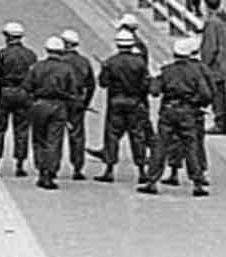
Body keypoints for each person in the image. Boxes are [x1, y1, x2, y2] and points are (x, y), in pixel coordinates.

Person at [138, 37, 212, 197]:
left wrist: (153, 81)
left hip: (168, 110)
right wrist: (195, 102)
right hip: (188, 112)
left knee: (161, 146)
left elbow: (155, 91)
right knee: (191, 147)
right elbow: (206, 94)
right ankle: (198, 182)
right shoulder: (195, 72)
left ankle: (152, 180)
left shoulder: (167, 70)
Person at [92, 28, 152, 185]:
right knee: (137, 135)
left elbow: (103, 83)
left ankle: (109, 169)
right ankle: (142, 170)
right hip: (135, 101)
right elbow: (146, 84)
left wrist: (105, 70)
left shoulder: (111, 62)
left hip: (116, 101)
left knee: (112, 135)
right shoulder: (140, 62)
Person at [22, 36, 80, 191]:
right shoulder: (67, 69)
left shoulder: (37, 67)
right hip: (59, 106)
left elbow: (27, 87)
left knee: (39, 138)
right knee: (54, 140)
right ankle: (51, 172)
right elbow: (73, 91)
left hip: (39, 104)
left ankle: (41, 170)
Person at [0, 21, 36, 178]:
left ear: (7, 37)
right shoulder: (30, 55)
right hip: (24, 93)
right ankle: (20, 164)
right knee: (21, 129)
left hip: (6, 91)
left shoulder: (3, 54)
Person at [58, 29, 95, 181]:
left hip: (60, 100)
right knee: (77, 135)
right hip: (77, 101)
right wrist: (86, 103)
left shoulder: (59, 61)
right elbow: (91, 85)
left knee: (55, 134)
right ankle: (78, 167)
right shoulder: (84, 62)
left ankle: (52, 166)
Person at [202, 0, 226, 134]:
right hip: (224, 62)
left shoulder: (212, 23)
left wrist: (204, 64)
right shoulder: (223, 20)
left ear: (206, 6)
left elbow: (210, 47)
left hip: (217, 65)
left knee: (217, 95)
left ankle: (220, 122)